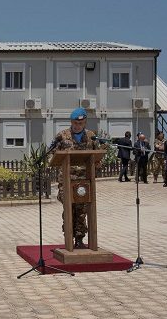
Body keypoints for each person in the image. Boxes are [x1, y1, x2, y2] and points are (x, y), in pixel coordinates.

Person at [54, 107, 99, 249]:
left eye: (80, 123)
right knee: (69, 208)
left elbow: (97, 154)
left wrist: (98, 163)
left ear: (85, 122)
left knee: (81, 211)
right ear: (71, 122)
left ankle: (79, 239)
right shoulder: (62, 136)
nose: (77, 126)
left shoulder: (91, 136)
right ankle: (68, 236)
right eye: (75, 123)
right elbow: (54, 155)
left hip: (84, 180)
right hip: (66, 180)